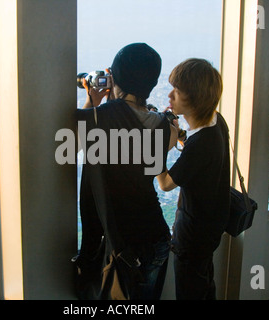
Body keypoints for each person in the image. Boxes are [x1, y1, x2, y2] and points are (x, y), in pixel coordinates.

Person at [75, 43, 177, 300]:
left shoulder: (100, 117)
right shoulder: (163, 125)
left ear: (115, 76)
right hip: (157, 239)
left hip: (125, 246)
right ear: (151, 84)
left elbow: (76, 138)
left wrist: (93, 99)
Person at [156, 58, 230, 300]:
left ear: (194, 97)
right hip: (212, 227)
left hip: (193, 235)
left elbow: (166, 184)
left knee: (190, 292)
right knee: (204, 287)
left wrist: (157, 149)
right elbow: (200, 158)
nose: (170, 96)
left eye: (177, 91)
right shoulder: (218, 122)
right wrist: (181, 136)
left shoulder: (200, 145)